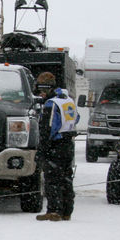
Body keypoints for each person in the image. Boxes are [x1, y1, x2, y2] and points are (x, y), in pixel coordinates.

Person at [34, 72, 79, 221]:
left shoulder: (51, 104)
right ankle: (67, 211)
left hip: (55, 146)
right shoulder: (68, 100)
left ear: (49, 88)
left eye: (42, 89)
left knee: (52, 179)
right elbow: (75, 118)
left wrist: (42, 149)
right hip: (68, 144)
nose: (41, 93)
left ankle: (54, 211)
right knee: (66, 178)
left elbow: (48, 128)